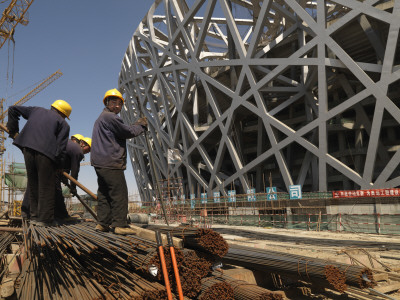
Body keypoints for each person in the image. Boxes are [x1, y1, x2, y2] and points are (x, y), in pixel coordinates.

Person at [91, 88, 147, 235]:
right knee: (119, 193)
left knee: (104, 193)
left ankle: (102, 223)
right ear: (107, 103)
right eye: (113, 102)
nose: (116, 106)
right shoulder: (110, 117)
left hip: (99, 162)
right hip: (110, 161)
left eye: (119, 103)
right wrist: (140, 126)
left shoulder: (101, 118)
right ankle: (120, 224)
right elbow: (127, 132)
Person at [7, 100, 71, 226]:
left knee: (33, 183)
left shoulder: (36, 110)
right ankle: (45, 220)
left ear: (53, 107)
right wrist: (59, 166)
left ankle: (35, 217)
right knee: (46, 186)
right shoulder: (63, 124)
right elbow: (61, 147)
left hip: (27, 148)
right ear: (64, 114)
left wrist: (13, 131)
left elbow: (12, 109)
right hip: (46, 153)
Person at [55, 136, 91, 222]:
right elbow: (75, 171)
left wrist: (64, 178)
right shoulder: (77, 150)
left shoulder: (67, 144)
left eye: (89, 151)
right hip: (53, 169)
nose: (87, 152)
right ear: (82, 143)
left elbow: (65, 164)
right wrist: (73, 187)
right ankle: (62, 216)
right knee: (56, 191)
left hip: (54, 167)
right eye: (87, 149)